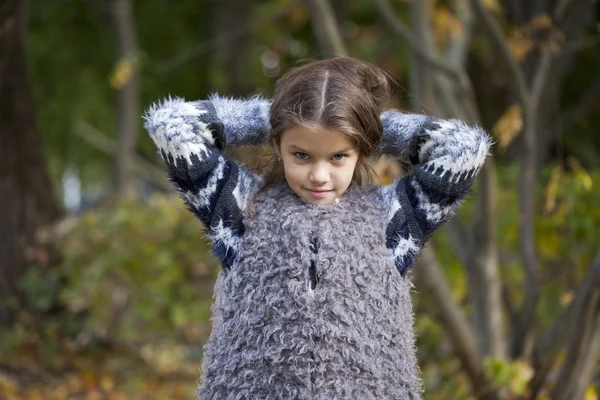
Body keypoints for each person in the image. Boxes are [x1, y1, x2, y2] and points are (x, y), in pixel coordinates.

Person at [143, 57, 492, 399]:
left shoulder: (392, 219)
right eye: (302, 155)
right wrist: (274, 117)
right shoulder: (238, 207)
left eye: (338, 156)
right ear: (278, 145)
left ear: (360, 151)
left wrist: (370, 124)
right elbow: (172, 125)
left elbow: (464, 149)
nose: (319, 175)